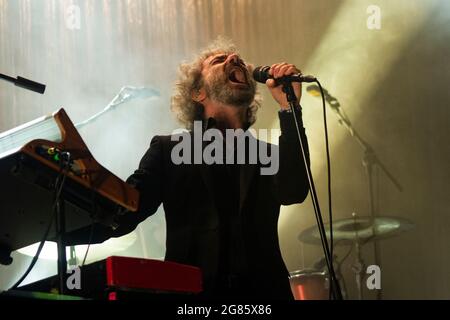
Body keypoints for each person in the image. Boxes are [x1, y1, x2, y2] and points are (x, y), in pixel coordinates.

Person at [69, 38, 310, 299]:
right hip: (192, 297)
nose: (234, 59)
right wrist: (54, 226)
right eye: (219, 60)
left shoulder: (267, 155)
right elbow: (124, 212)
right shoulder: (169, 151)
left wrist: (290, 108)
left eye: (238, 59)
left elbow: (293, 190)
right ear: (198, 93)